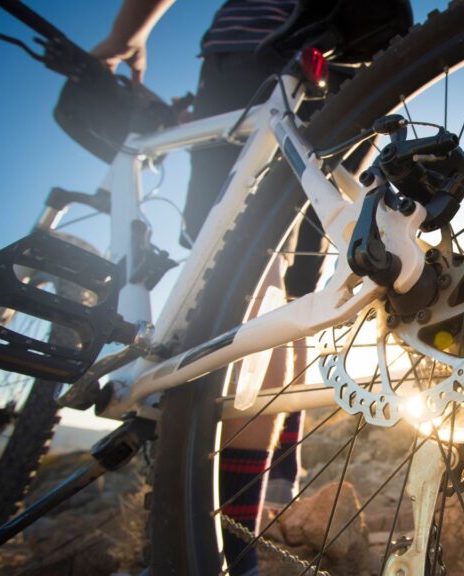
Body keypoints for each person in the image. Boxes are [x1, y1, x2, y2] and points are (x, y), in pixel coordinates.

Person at [92, 2, 315, 574]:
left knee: (240, 262)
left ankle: (218, 552)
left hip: (259, 47)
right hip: (358, 54)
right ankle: (256, 497)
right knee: (286, 286)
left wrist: (125, 36)